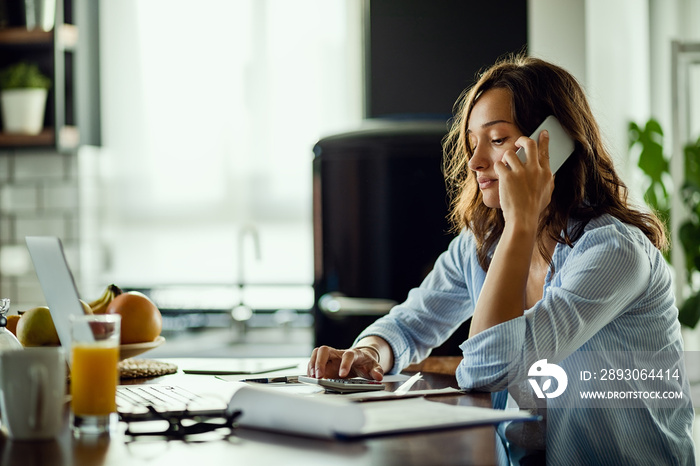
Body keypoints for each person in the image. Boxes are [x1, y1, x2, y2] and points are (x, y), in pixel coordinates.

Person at [307, 55, 695, 465]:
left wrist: (520, 222)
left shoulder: (613, 252)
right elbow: (409, 322)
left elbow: (488, 367)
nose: (474, 162)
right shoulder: (482, 243)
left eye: (495, 140)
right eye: (473, 143)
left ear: (553, 143)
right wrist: (370, 352)